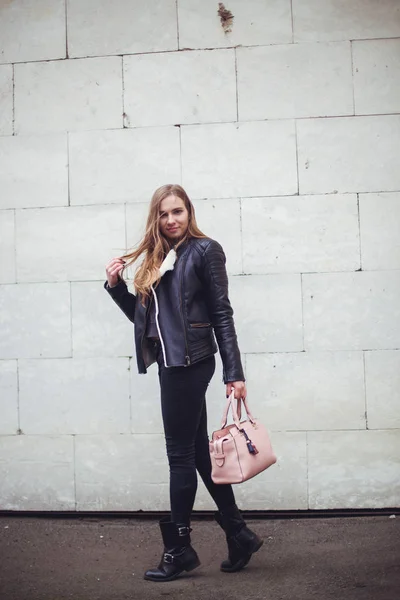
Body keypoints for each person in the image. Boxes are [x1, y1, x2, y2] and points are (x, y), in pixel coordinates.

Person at [104, 184, 263, 582]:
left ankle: (179, 549)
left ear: (189, 212)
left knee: (179, 457)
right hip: (171, 366)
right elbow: (147, 324)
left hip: (192, 364)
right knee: (197, 454)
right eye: (164, 214)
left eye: (178, 211)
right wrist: (116, 288)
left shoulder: (205, 251)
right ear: (155, 219)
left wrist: (235, 373)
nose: (171, 220)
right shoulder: (158, 258)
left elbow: (222, 313)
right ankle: (238, 532)